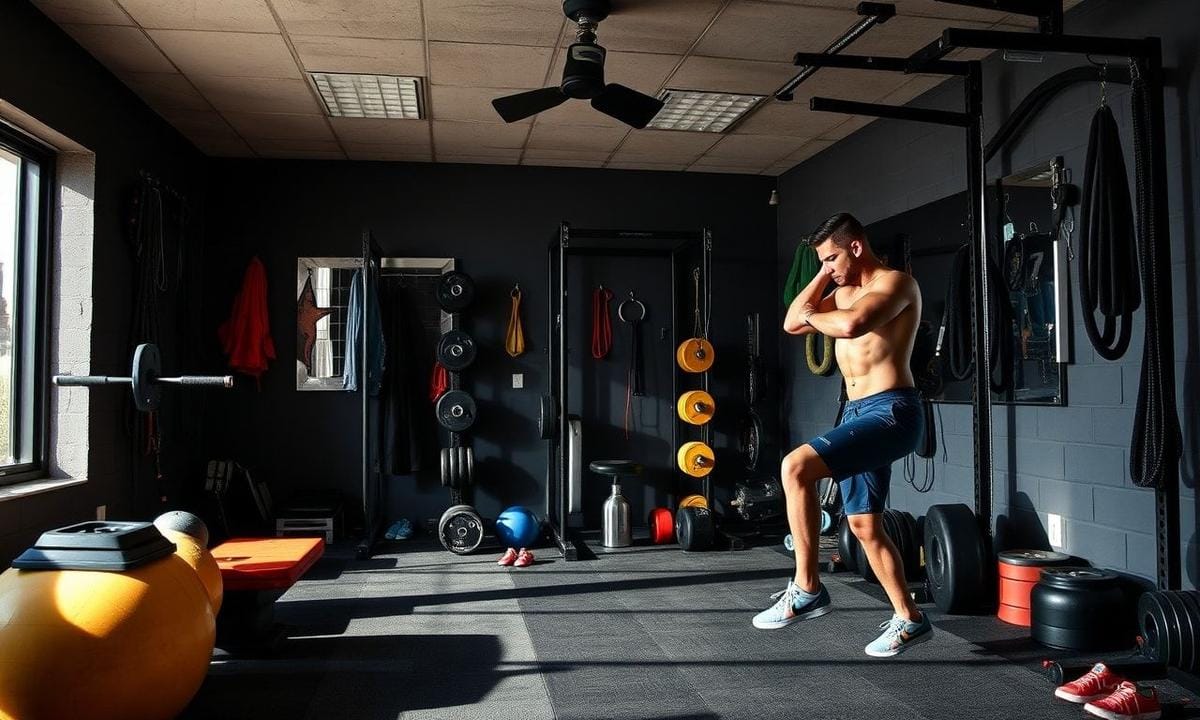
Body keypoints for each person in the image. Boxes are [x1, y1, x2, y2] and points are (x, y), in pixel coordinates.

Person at [753, 212, 932, 658]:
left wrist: (821, 314)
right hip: (857, 413)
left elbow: (852, 326)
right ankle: (909, 618)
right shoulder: (841, 291)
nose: (829, 268)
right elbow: (793, 323)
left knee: (794, 466)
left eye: (832, 257)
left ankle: (807, 588)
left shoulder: (896, 284)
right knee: (865, 526)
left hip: (892, 410)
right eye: (822, 262)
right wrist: (820, 276)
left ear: (856, 246)